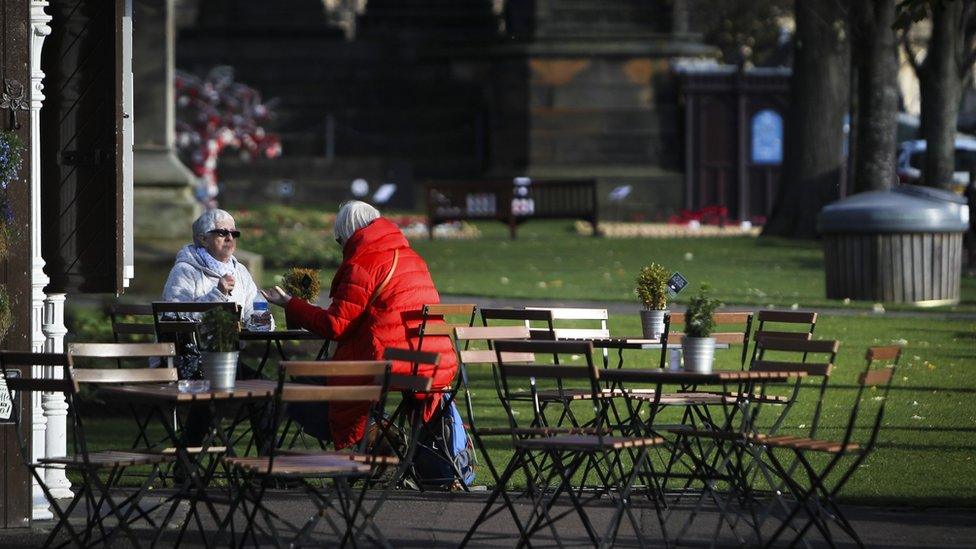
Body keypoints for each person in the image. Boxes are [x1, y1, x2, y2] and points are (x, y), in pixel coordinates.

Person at [263, 200, 458, 449]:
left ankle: (372, 441)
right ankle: (381, 437)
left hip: (390, 363)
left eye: (339, 239)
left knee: (300, 385)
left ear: (348, 233)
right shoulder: (412, 257)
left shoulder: (363, 263)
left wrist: (290, 304)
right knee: (320, 380)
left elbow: (336, 325)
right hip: (432, 363)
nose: (341, 245)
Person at [162, 208, 272, 331]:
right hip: (193, 348)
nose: (230, 238)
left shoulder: (240, 271)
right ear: (203, 239)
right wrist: (218, 294)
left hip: (232, 348)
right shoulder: (185, 270)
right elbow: (175, 317)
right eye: (222, 233)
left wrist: (263, 320)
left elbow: (252, 314)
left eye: (234, 233)